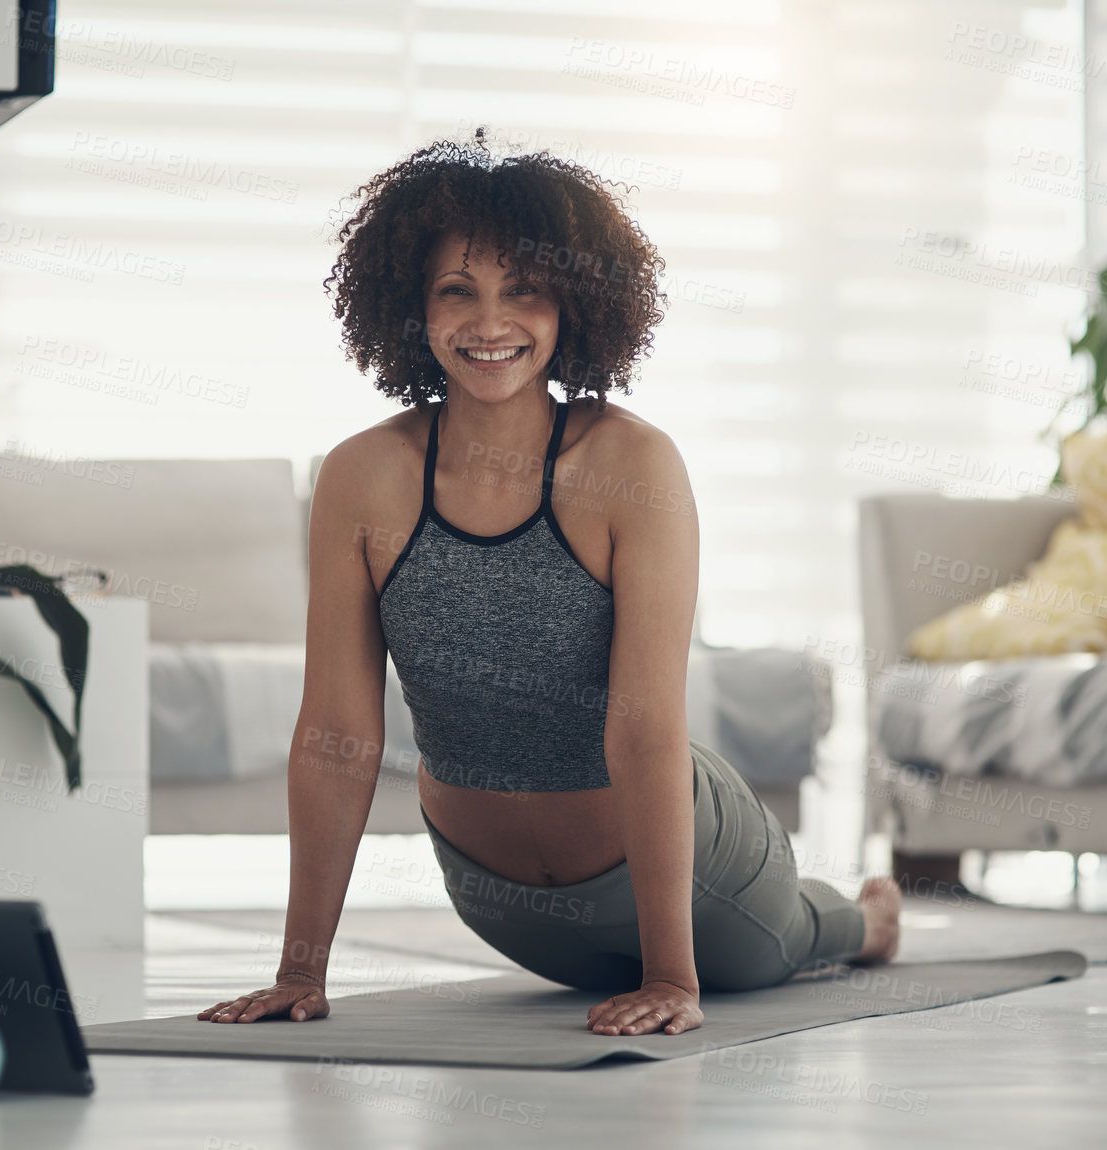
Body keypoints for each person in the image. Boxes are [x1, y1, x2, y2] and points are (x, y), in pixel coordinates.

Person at [200, 134, 900, 1039]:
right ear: (412, 305)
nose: (490, 324)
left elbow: (646, 727)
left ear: (574, 300)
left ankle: (868, 921)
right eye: (458, 290)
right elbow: (337, 733)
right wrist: (299, 971)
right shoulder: (362, 476)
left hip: (699, 876)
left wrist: (671, 977)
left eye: (522, 290)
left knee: (780, 947)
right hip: (502, 908)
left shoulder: (629, 463)